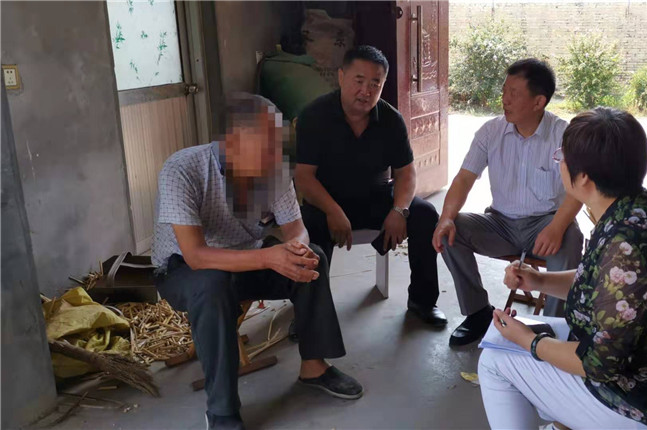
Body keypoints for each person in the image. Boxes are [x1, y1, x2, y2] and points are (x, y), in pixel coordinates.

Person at [478, 107, 647, 430]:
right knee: (536, 337)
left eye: (561, 156)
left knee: (495, 360)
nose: (559, 163)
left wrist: (530, 342)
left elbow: (598, 364)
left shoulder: (626, 245)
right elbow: (601, 286)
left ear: (584, 176)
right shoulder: (634, 208)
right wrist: (538, 281)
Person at [152, 94, 362, 430]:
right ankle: (221, 410)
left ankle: (314, 366)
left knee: (314, 258)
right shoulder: (182, 169)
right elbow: (195, 255)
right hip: (184, 270)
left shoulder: (273, 169)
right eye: (265, 147)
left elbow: (297, 230)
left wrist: (295, 250)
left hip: (248, 259)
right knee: (212, 283)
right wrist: (268, 256)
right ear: (231, 142)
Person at [432, 59, 584, 346]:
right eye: (504, 91)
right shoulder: (490, 132)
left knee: (571, 237)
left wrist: (557, 227)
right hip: (499, 224)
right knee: (450, 231)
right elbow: (464, 178)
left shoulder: (563, 135)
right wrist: (447, 217)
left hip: (546, 225)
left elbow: (578, 190)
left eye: (514, 93)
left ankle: (554, 326)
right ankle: (477, 312)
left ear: (538, 102)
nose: (505, 99)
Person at [295, 45, 446, 327]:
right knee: (307, 224)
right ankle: (310, 311)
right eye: (359, 80)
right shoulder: (314, 116)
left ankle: (422, 302)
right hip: (327, 202)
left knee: (425, 214)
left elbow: (406, 173)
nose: (366, 91)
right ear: (341, 77)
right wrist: (333, 211)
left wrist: (399, 210)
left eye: (375, 83)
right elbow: (304, 177)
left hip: (375, 197)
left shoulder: (390, 120)